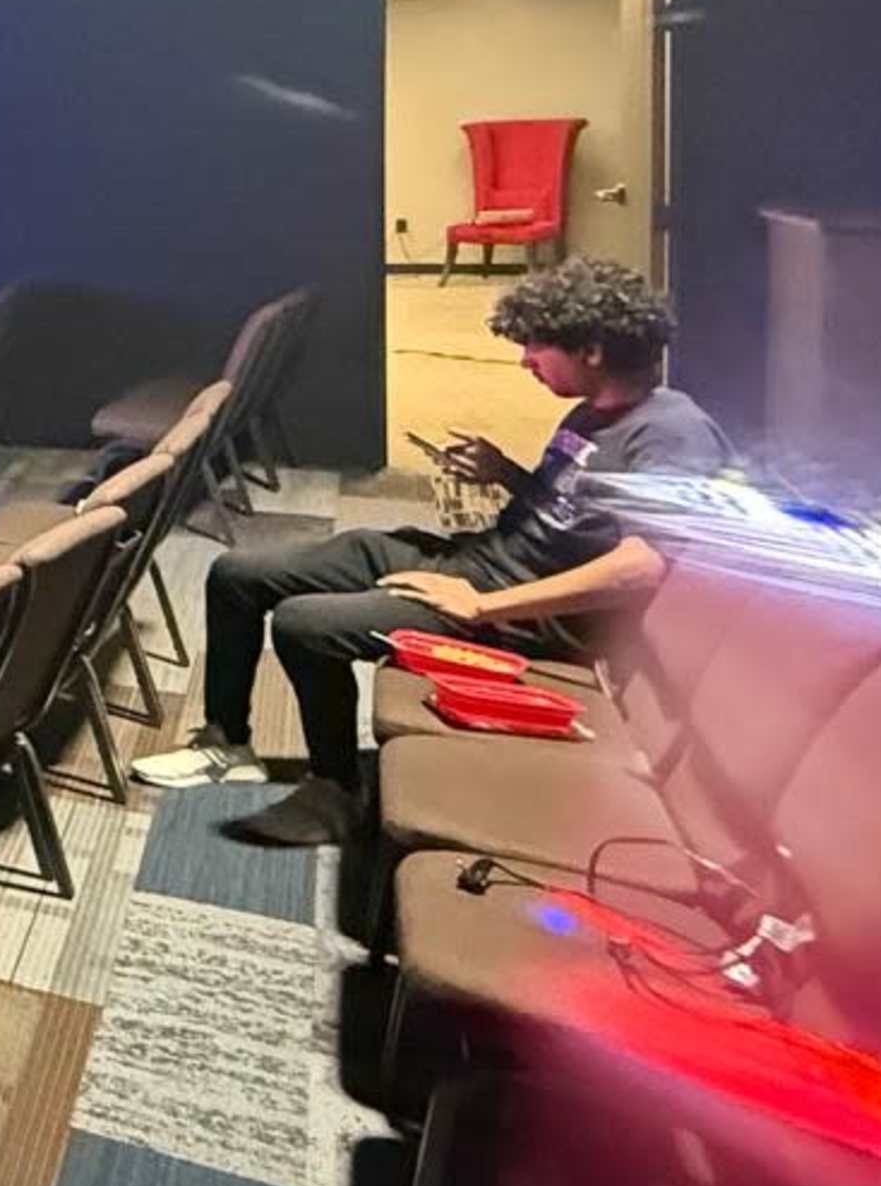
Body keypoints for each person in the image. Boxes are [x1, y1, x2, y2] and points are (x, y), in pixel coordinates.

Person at [133, 256, 730, 846]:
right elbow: (574, 514)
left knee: (304, 625)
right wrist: (507, 474)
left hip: (523, 613)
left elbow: (641, 565)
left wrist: (482, 607)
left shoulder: (673, 432)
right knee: (237, 574)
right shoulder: (595, 412)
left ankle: (334, 790)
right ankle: (226, 744)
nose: (525, 360)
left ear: (592, 350)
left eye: (536, 346)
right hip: (475, 561)